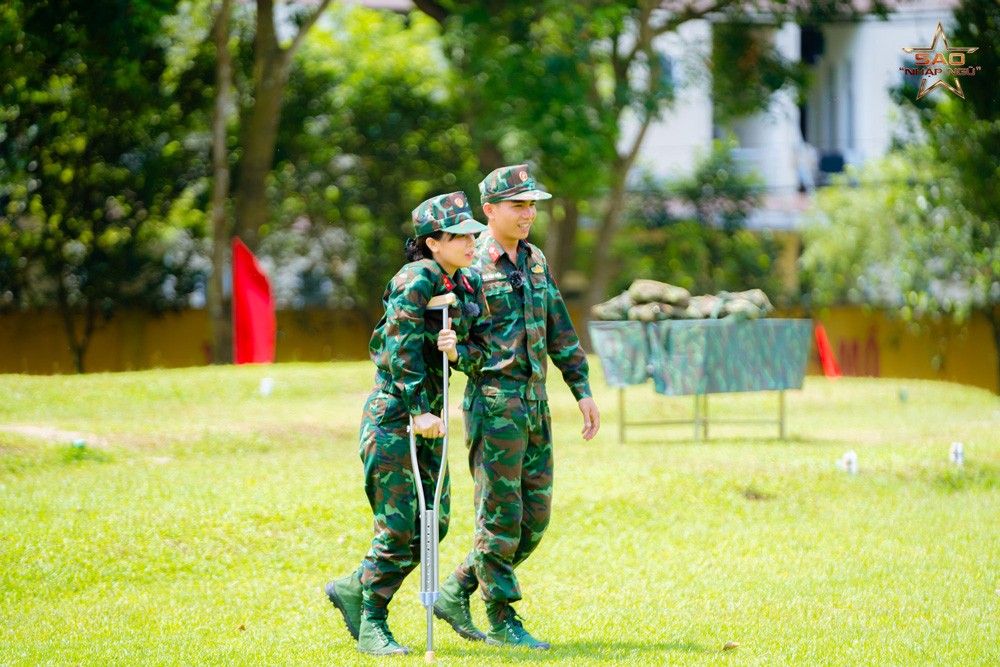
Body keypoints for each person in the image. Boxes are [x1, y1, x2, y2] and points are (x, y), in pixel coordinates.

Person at [433, 164, 601, 650]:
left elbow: (559, 326)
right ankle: (502, 618)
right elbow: (451, 340)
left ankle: (456, 587)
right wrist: (458, 358)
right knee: (500, 516)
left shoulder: (534, 260)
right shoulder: (468, 266)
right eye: (517, 205)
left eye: (532, 205)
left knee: (535, 518)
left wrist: (582, 387)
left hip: (534, 403)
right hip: (494, 403)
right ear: (489, 210)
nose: (528, 213)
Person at [323, 192, 490, 656]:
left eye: (472, 234)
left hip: (432, 420)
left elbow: (483, 353)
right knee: (398, 526)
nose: (471, 242)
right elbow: (395, 349)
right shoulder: (413, 279)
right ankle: (372, 617)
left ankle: (355, 587)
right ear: (433, 242)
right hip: (397, 417)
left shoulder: (468, 284)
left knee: (433, 526)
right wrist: (418, 409)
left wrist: (458, 351)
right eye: (460, 236)